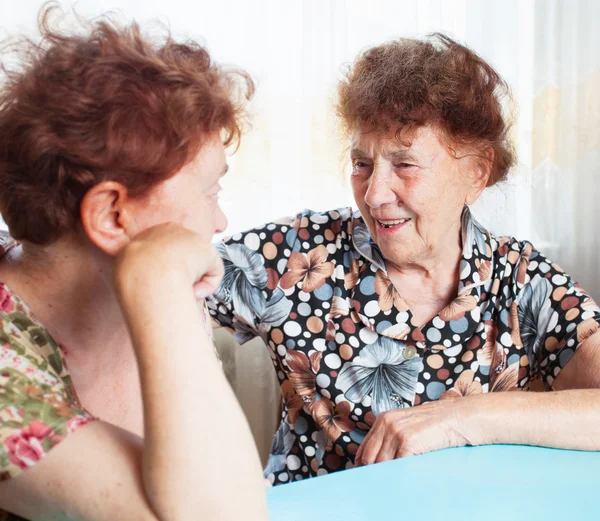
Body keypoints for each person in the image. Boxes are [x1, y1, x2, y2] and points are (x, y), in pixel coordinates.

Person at [207, 34, 600, 486]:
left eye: (405, 164)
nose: (374, 195)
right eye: (362, 163)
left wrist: (463, 418)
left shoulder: (522, 280)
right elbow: (155, 285)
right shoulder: (298, 254)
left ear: (476, 172)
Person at [0, 7, 268, 521]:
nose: (220, 219)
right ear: (112, 215)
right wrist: (160, 279)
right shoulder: (157, 281)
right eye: (210, 190)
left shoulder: (142, 290)